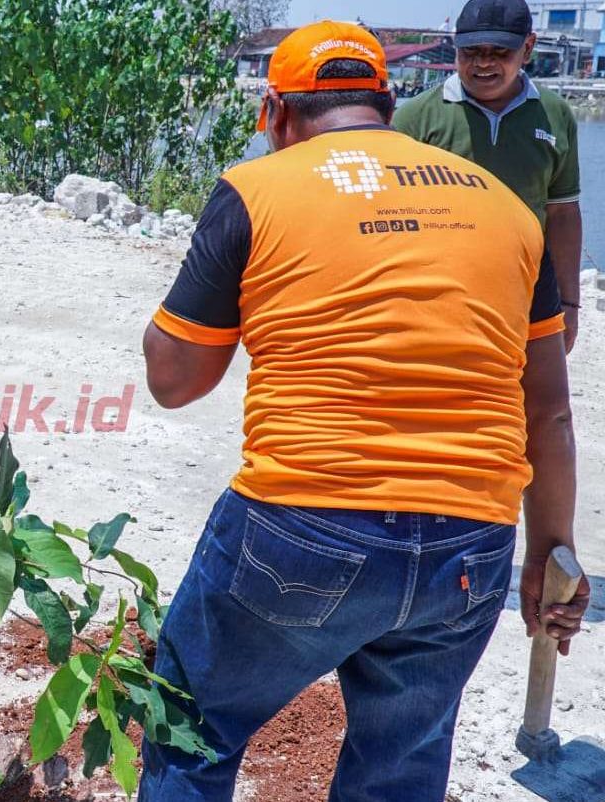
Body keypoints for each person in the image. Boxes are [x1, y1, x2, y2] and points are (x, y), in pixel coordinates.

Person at [137, 21, 590, 800]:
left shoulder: (257, 188)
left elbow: (175, 380)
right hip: (472, 547)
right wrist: (551, 554)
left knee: (191, 730)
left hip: (302, 525)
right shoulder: (512, 213)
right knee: (399, 772)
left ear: (275, 112)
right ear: (386, 103)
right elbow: (547, 411)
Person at [395, 0, 584, 352]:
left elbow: (562, 212)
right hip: (436, 292)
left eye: (499, 52)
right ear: (455, 45)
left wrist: (570, 304)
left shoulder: (555, 115)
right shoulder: (415, 118)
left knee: (536, 402)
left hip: (528, 290)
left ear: (527, 48)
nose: (483, 63)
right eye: (471, 52)